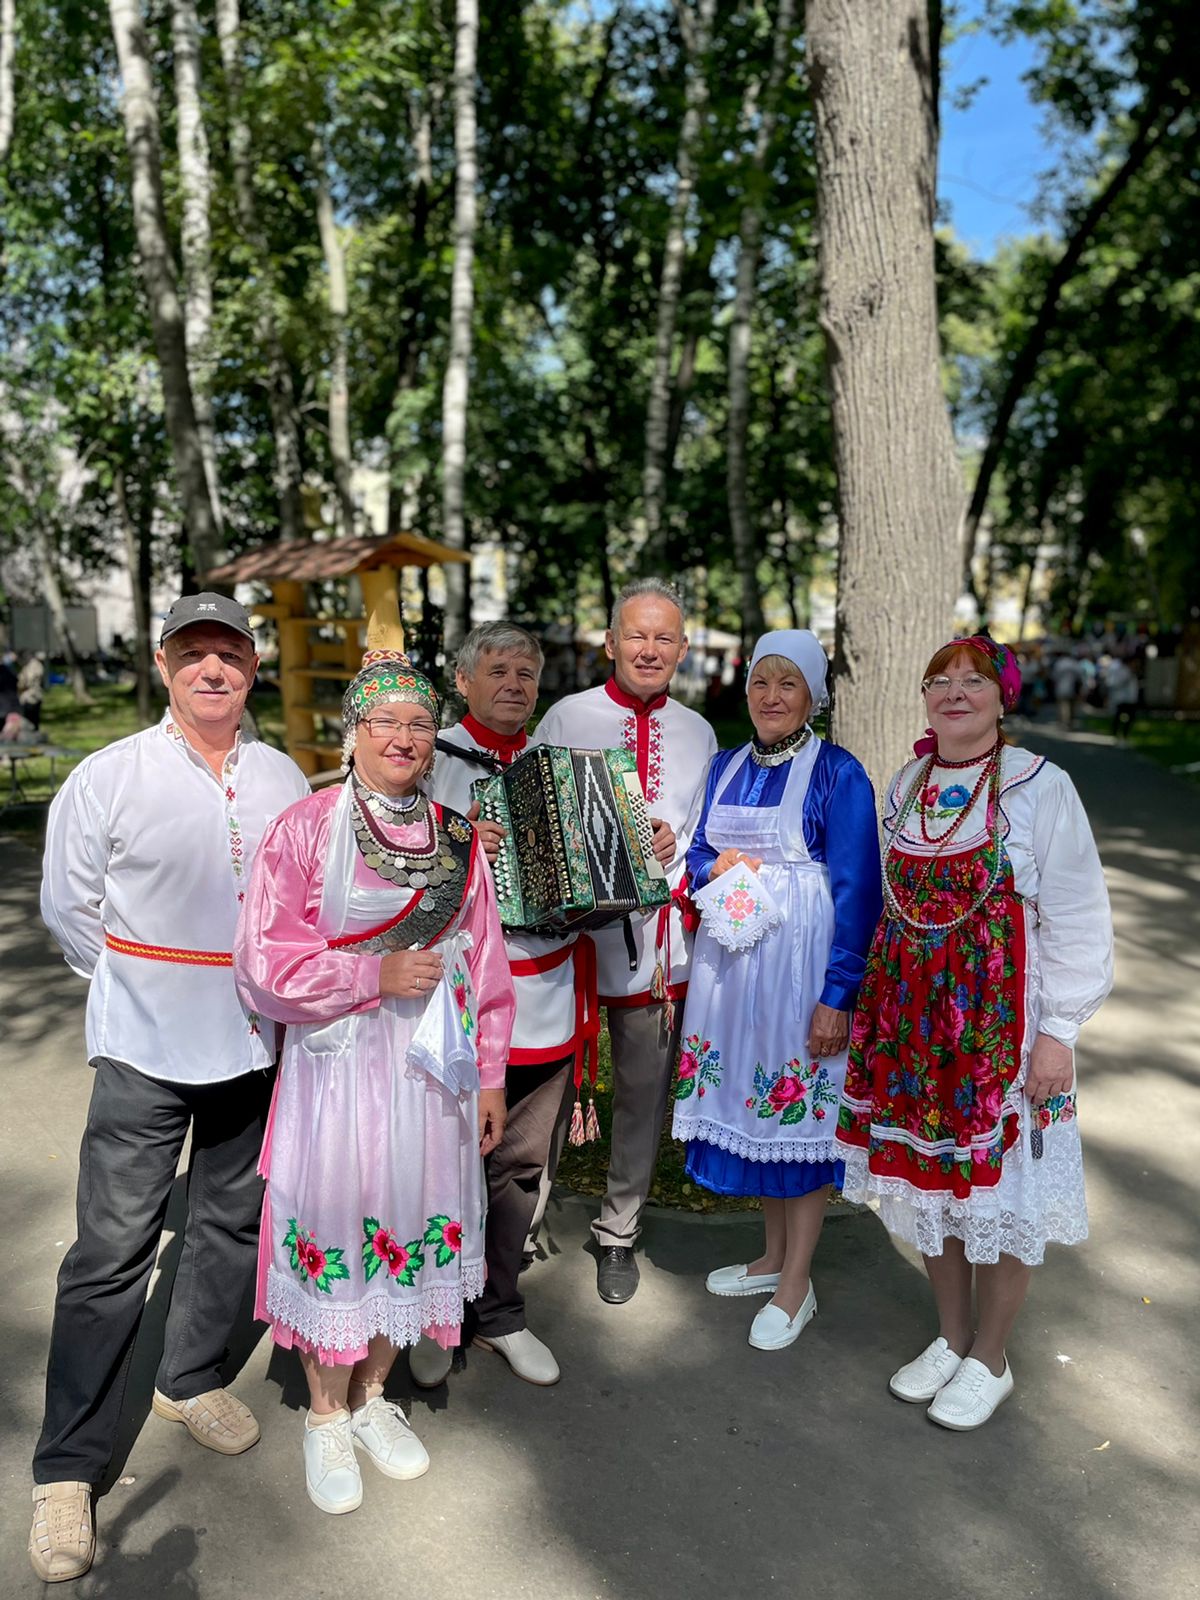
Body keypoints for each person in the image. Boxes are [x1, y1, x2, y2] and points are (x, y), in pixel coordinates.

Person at [30, 593, 310, 1584]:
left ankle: (187, 1378)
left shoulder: (282, 776)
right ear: (162, 665)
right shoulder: (109, 775)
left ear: (251, 667)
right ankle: (66, 1472)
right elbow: (70, 909)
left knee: (230, 1222)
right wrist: (145, 986)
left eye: (228, 653)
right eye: (193, 653)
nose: (212, 670)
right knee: (111, 1251)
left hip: (248, 1046)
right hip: (146, 1048)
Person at [234, 649, 515, 1516]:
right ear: (353, 733)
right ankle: (323, 1412)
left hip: (433, 1074)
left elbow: (484, 964)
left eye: (419, 723)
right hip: (339, 1069)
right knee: (339, 1217)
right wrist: (370, 979)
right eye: (382, 721)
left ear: (435, 740)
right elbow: (262, 963)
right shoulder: (307, 828)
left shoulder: (457, 837)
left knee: (412, 1216)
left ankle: (373, 1396)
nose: (402, 737)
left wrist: (493, 1076)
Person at [837, 636, 1113, 1430]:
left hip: (1003, 1032)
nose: (954, 694)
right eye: (939, 682)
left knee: (1006, 1194)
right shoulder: (909, 783)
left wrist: (1059, 1034)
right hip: (914, 1033)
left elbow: (1079, 917)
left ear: (1003, 698)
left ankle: (992, 1356)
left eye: (973, 681)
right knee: (936, 1193)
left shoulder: (1039, 786)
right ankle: (953, 1339)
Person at [673, 631, 880, 1348]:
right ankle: (770, 1257)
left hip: (799, 971)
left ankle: (798, 1282)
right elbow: (695, 851)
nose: (770, 697)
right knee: (760, 1110)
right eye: (762, 681)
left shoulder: (839, 773)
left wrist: (838, 995)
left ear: (813, 696)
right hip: (731, 971)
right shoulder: (725, 765)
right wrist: (712, 864)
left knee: (800, 1119)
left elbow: (859, 892)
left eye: (788, 684)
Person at [534, 578, 717, 1303]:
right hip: (572, 938)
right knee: (545, 1091)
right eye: (636, 635)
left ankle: (619, 1230)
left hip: (656, 938)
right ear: (610, 643)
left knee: (642, 1092)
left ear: (681, 648)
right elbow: (534, 814)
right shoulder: (567, 716)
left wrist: (682, 843)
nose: (649, 648)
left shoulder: (700, 732)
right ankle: (524, 1218)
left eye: (664, 637)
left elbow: (712, 836)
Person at [410, 621, 580, 1388]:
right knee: (441, 1160)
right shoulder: (426, 755)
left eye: (526, 673)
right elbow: (389, 875)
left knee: (517, 1168)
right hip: (457, 998)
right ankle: (430, 1312)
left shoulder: (555, 765)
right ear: (464, 681)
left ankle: (501, 1313)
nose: (514, 685)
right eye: (499, 671)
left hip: (544, 992)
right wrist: (454, 846)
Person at [1103, 655, 1139, 740]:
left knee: (1130, 719)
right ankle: (1115, 734)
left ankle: (1124, 736)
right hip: (1122, 699)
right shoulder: (1122, 671)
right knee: (1118, 718)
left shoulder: (1131, 671)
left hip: (1130, 699)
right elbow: (1115, 683)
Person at [1051, 652, 1081, 730]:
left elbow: (1054, 677)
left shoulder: (1059, 664)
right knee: (1071, 706)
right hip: (1072, 688)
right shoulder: (1074, 664)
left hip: (1060, 688)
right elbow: (1079, 677)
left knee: (1063, 706)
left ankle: (1064, 722)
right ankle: (1070, 722)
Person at [19, 650, 45, 730]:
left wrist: (20, 685)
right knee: (34, 720)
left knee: (30, 721)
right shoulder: (37, 665)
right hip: (36, 696)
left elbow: (27, 681)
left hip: (30, 697)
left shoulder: (32, 665)